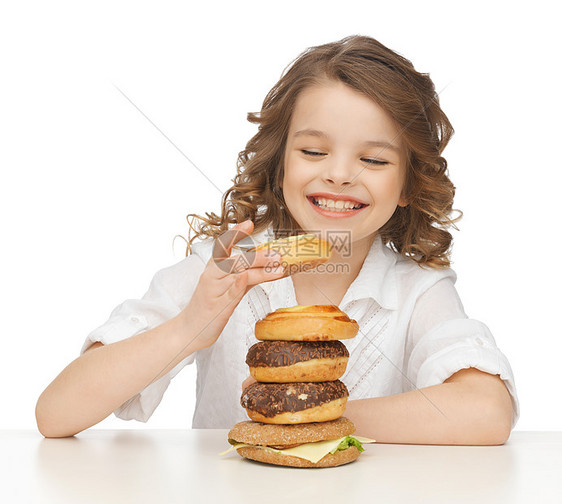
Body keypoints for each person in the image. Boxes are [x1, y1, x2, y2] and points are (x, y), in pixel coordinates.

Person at [35, 35, 519, 443]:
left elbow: (488, 411)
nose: (340, 174)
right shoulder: (223, 268)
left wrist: (310, 417)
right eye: (313, 150)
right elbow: (56, 414)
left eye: (374, 160)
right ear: (280, 161)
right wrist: (191, 326)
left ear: (410, 186)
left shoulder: (417, 290)